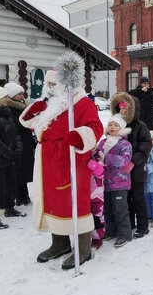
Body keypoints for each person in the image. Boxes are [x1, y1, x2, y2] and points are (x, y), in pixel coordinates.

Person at [20, 68, 103, 269]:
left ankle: (83, 249)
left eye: (53, 84)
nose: (49, 87)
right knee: (53, 200)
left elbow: (95, 128)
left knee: (74, 200)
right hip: (47, 160)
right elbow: (32, 125)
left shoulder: (82, 102)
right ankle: (60, 243)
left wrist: (79, 136)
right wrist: (34, 110)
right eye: (48, 84)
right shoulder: (51, 104)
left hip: (71, 158)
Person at [110, 92, 151, 239]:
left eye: (125, 109)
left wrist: (133, 160)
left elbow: (146, 145)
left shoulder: (140, 126)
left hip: (136, 169)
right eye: (120, 109)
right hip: (120, 173)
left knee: (138, 198)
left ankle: (142, 226)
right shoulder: (116, 125)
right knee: (125, 199)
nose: (123, 112)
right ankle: (129, 224)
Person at [95, 115, 133, 248]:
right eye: (110, 124)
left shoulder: (125, 144)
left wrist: (105, 157)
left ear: (121, 129)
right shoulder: (102, 143)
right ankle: (111, 231)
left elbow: (124, 161)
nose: (112, 127)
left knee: (120, 209)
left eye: (116, 125)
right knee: (107, 209)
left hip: (120, 182)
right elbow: (97, 157)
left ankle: (125, 234)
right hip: (105, 182)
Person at [4, 82, 34, 206]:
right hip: (16, 144)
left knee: (24, 171)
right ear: (11, 96)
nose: (22, 96)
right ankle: (18, 197)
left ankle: (24, 196)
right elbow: (16, 126)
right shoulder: (10, 109)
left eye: (22, 93)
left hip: (26, 143)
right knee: (17, 172)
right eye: (19, 94)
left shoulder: (23, 107)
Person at [0, 87, 24, 230]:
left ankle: (10, 208)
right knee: (0, 186)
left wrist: (18, 148)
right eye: (4, 97)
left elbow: (16, 134)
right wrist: (8, 152)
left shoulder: (7, 113)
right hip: (2, 157)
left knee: (11, 183)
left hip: (11, 157)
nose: (7, 99)